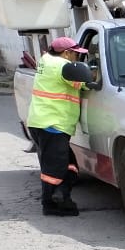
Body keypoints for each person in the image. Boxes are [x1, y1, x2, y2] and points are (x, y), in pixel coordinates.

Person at [26, 37, 89, 216]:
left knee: (68, 164)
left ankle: (61, 196)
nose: (77, 58)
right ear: (66, 53)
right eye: (76, 55)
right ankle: (52, 205)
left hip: (42, 122)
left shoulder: (46, 60)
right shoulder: (62, 66)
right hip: (53, 124)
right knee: (55, 168)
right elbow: (83, 83)